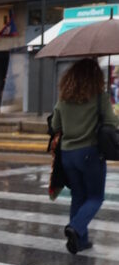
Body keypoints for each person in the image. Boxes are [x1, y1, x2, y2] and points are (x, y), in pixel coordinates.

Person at [50, 58, 118, 254]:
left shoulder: (63, 99)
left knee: (78, 196)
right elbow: (111, 123)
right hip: (90, 153)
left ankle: (80, 241)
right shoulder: (99, 97)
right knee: (95, 197)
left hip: (68, 155)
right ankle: (76, 227)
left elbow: (55, 125)